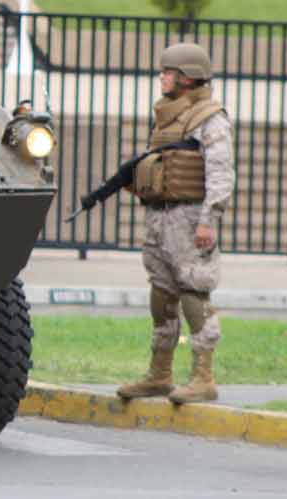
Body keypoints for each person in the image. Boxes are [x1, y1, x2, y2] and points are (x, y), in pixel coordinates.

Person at [117, 42, 234, 405]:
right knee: (162, 294)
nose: (162, 77)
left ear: (186, 78)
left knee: (194, 293)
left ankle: (203, 377)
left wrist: (208, 222)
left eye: (168, 72)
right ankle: (160, 374)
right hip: (160, 217)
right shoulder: (168, 116)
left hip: (190, 219)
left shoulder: (210, 118)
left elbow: (220, 173)